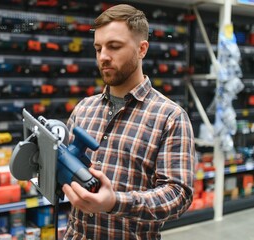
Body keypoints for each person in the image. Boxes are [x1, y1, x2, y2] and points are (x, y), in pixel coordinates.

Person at [62, 4, 195, 240]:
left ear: (142, 49)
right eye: (98, 48)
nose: (103, 56)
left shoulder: (170, 117)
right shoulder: (84, 108)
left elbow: (178, 195)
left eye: (114, 46)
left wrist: (116, 202)